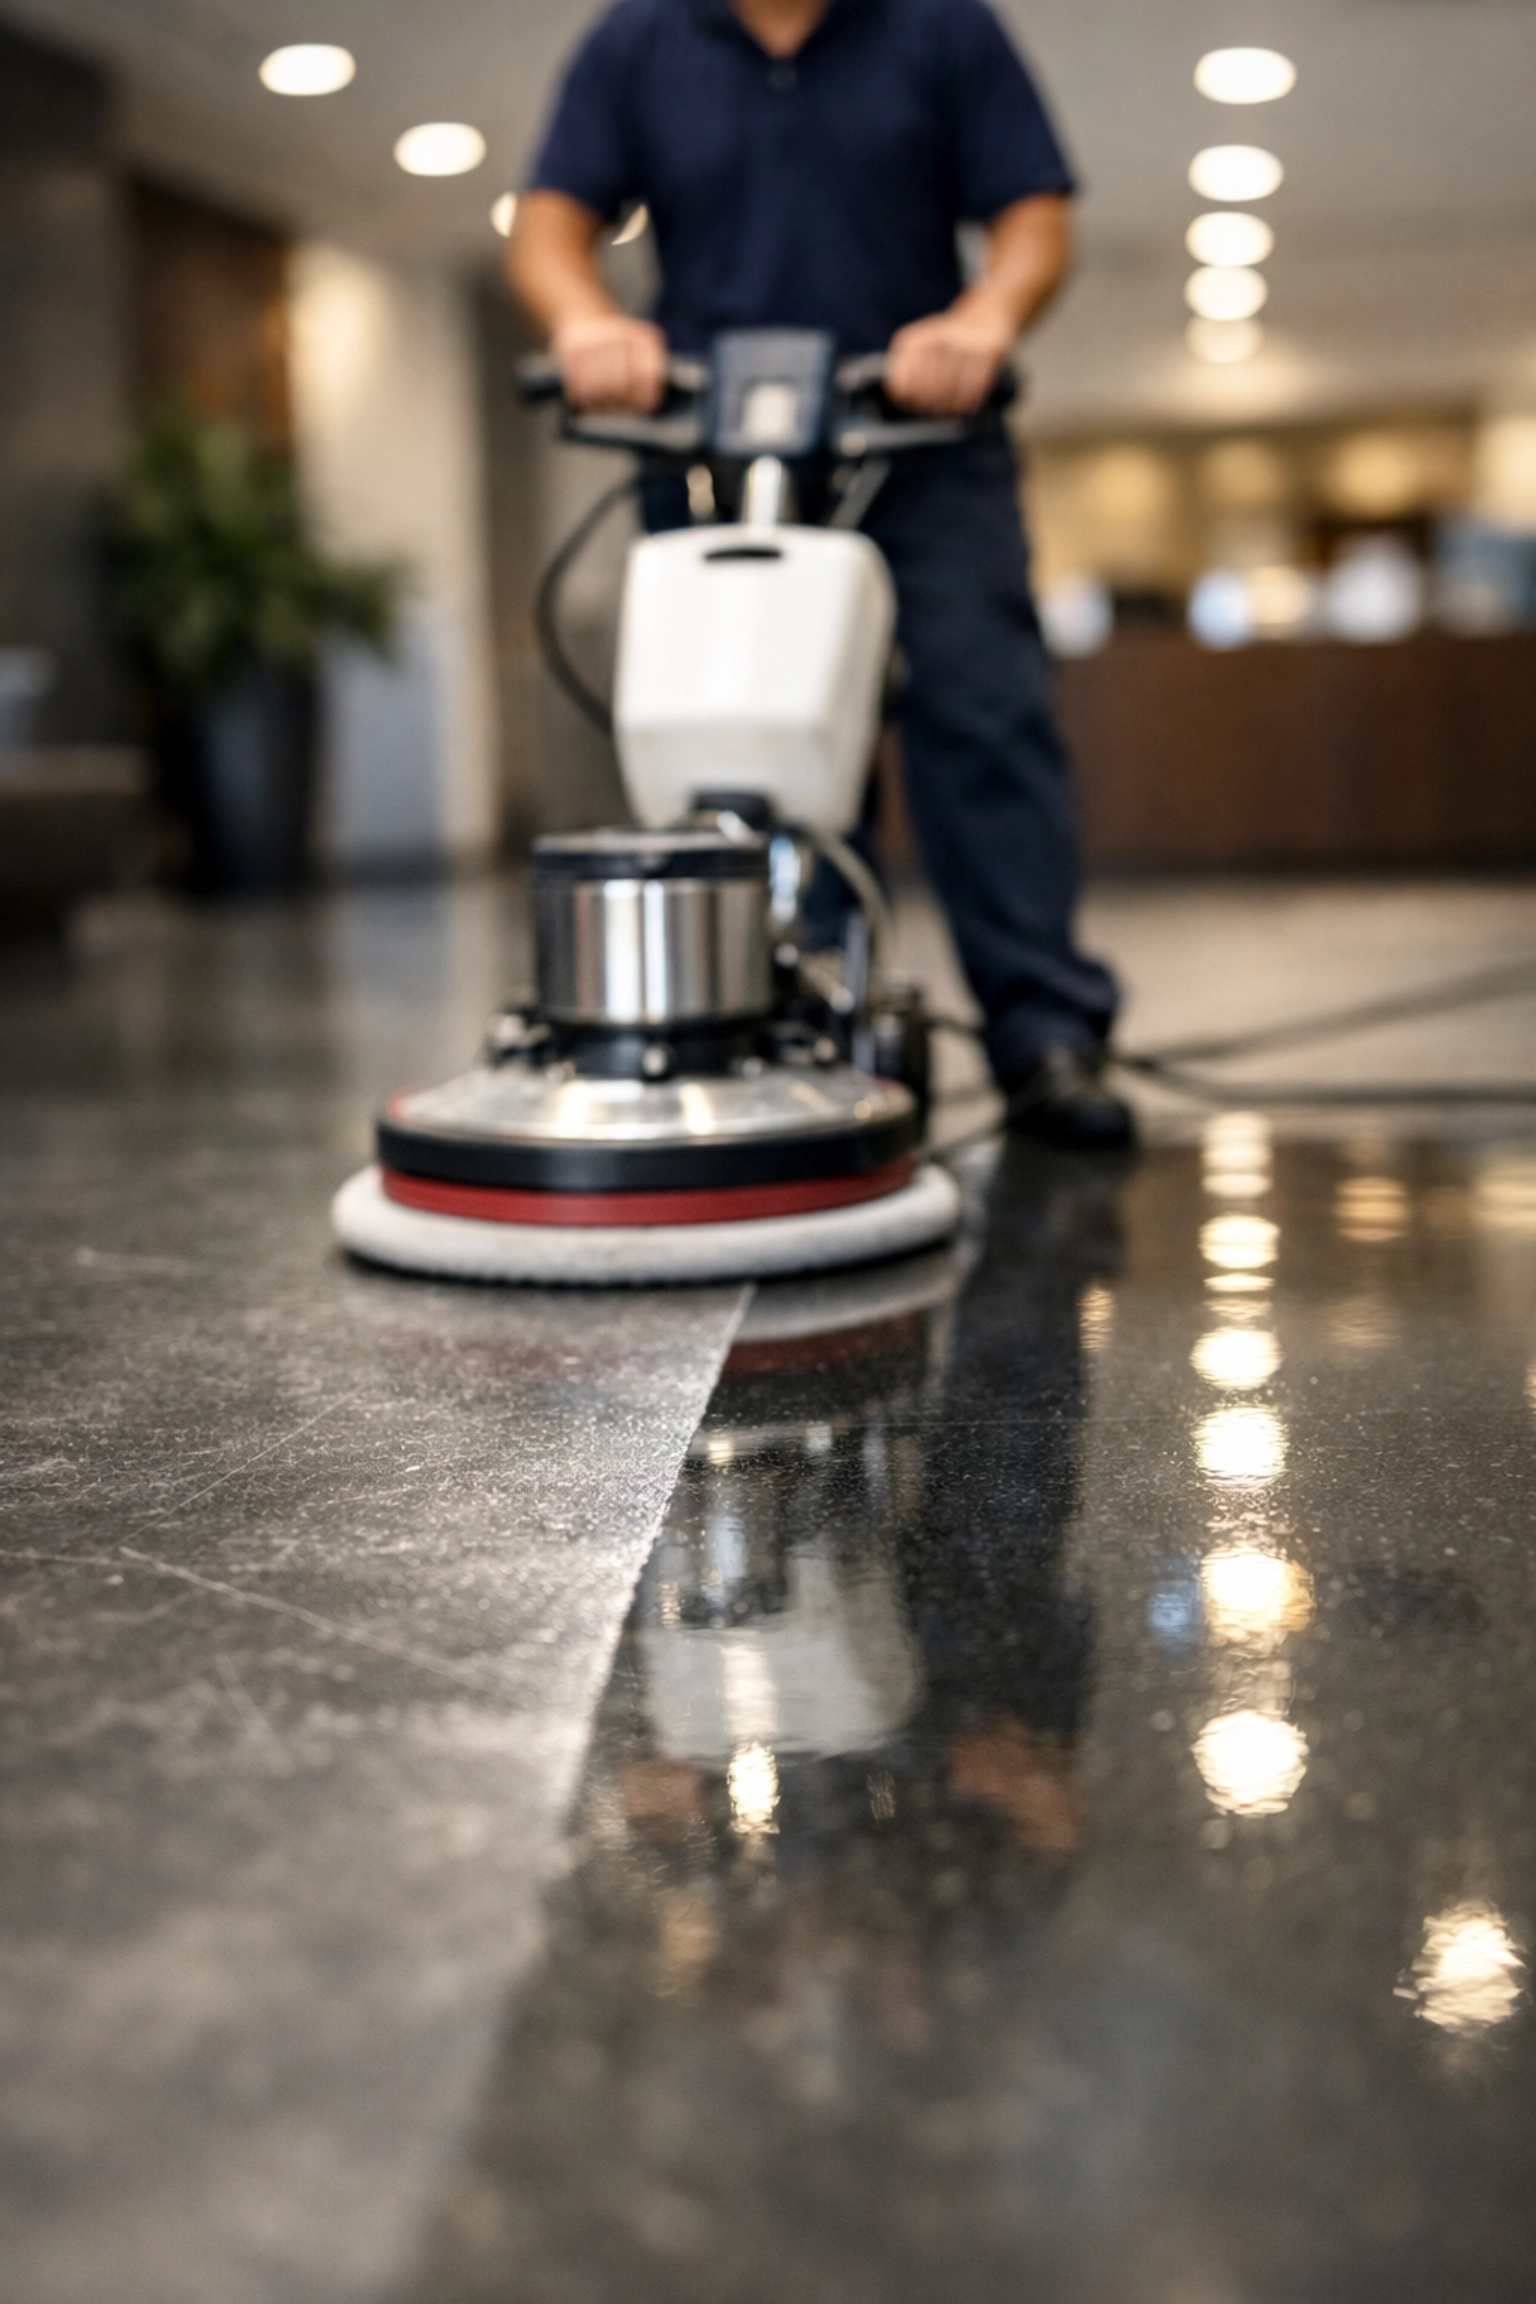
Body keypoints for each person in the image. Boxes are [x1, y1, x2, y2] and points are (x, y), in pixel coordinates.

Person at [510, 0, 1134, 1148]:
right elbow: (548, 225)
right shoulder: (637, 41)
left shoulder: (943, 29)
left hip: (918, 437)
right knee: (747, 736)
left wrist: (982, 320)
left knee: (981, 713)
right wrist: (588, 322)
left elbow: (1035, 219)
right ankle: (785, 1015)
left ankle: (1045, 1034)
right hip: (706, 444)